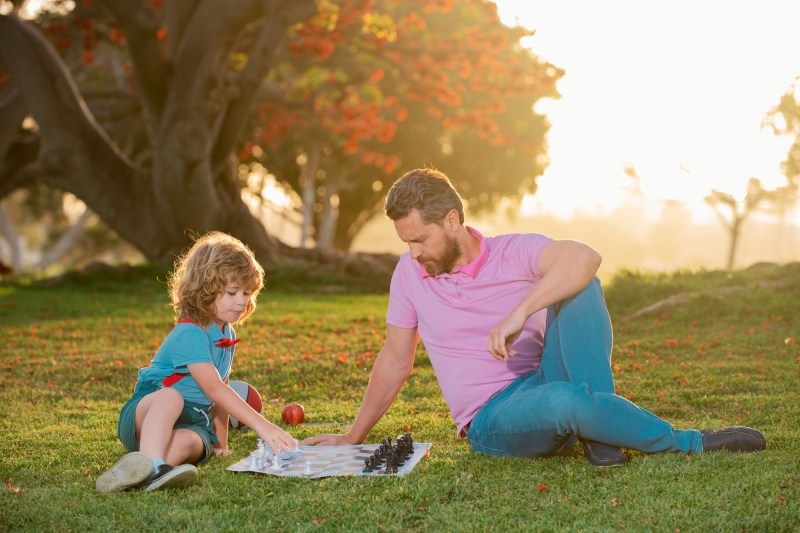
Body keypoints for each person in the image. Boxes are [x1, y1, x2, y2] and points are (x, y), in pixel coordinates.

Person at [303, 168, 766, 466]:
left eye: (419, 239)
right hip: (495, 417)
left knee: (582, 285)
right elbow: (394, 358)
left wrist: (520, 311)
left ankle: (598, 435)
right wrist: (353, 435)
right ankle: (687, 442)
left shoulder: (513, 251)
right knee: (564, 401)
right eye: (406, 242)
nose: (413, 252)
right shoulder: (409, 273)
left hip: (545, 377)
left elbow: (586, 256)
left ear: (451, 220)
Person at [96, 232, 297, 493]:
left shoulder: (228, 333)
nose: (242, 300)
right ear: (205, 290)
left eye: (247, 293)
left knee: (191, 443)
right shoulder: (190, 332)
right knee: (172, 397)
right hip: (148, 413)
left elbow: (221, 391)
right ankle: (154, 464)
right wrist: (263, 426)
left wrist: (220, 444)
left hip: (192, 420)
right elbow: (214, 388)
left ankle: (138, 474)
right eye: (232, 292)